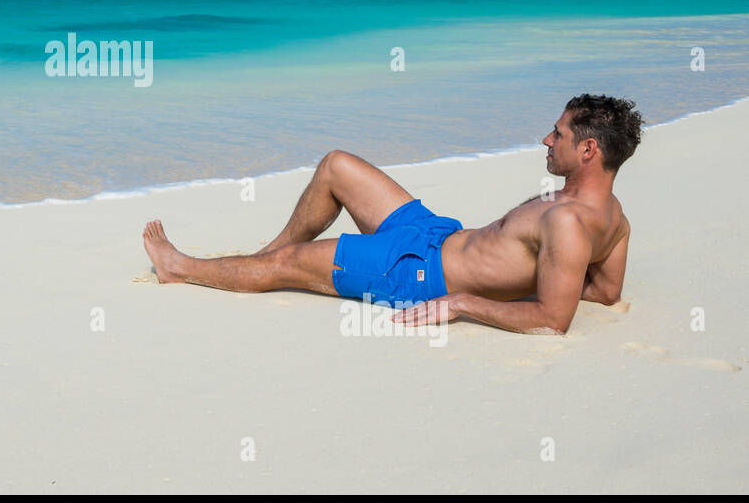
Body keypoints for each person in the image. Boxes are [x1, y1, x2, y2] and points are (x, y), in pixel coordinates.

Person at [141, 94, 643, 335]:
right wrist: (539, 274)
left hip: (417, 274)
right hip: (435, 233)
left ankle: (179, 268)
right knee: (337, 165)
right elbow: (604, 291)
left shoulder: (567, 224)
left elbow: (552, 320)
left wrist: (465, 302)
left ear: (588, 151)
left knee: (290, 265)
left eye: (557, 134)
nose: (546, 140)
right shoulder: (613, 216)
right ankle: (259, 257)